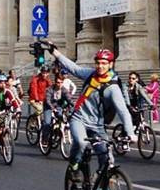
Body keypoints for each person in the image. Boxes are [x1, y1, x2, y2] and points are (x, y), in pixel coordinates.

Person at [45, 41, 136, 171]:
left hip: (97, 125)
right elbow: (74, 68)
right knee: (81, 142)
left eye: (104, 63)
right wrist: (55, 52)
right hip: (79, 118)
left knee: (107, 162)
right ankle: (74, 165)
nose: (100, 66)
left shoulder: (113, 87)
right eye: (98, 63)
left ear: (111, 64)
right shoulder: (90, 74)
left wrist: (130, 133)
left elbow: (122, 110)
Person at [42, 71, 73, 137]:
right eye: (58, 82)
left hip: (58, 106)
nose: (60, 84)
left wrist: (74, 105)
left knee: (61, 117)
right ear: (55, 82)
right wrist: (52, 108)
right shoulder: (49, 89)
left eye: (61, 82)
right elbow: (47, 100)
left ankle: (58, 131)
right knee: (47, 122)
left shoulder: (64, 90)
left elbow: (69, 98)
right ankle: (45, 137)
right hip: (48, 107)